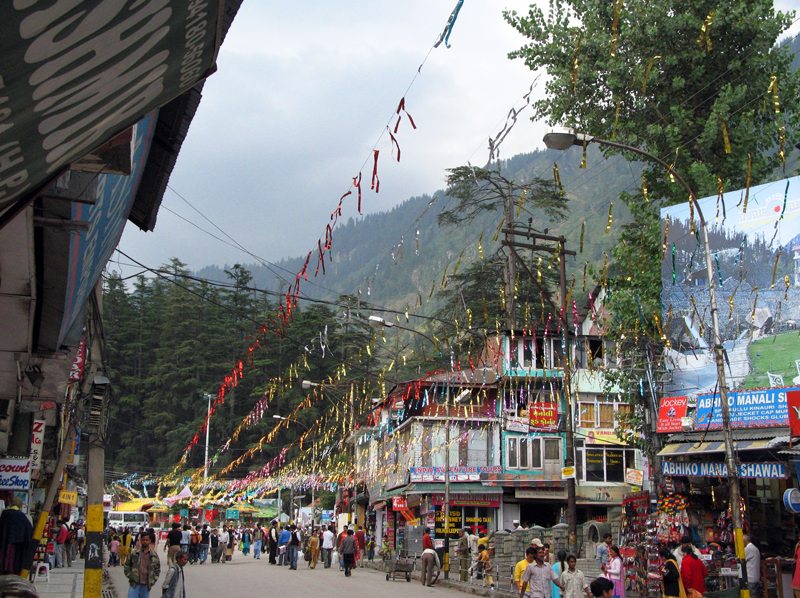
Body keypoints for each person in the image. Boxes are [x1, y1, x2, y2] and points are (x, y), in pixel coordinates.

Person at [0, 496, 33, 575]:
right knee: (13, 560)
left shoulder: (4, 514)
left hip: (4, 541)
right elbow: (28, 529)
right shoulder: (21, 516)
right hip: (17, 543)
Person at [124, 531, 161, 598]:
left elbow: (157, 569)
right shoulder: (134, 553)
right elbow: (127, 565)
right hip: (135, 584)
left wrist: (153, 580)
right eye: (143, 540)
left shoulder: (154, 555)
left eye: (147, 540)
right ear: (140, 541)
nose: (145, 542)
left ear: (149, 541)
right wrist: (130, 576)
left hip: (146, 585)